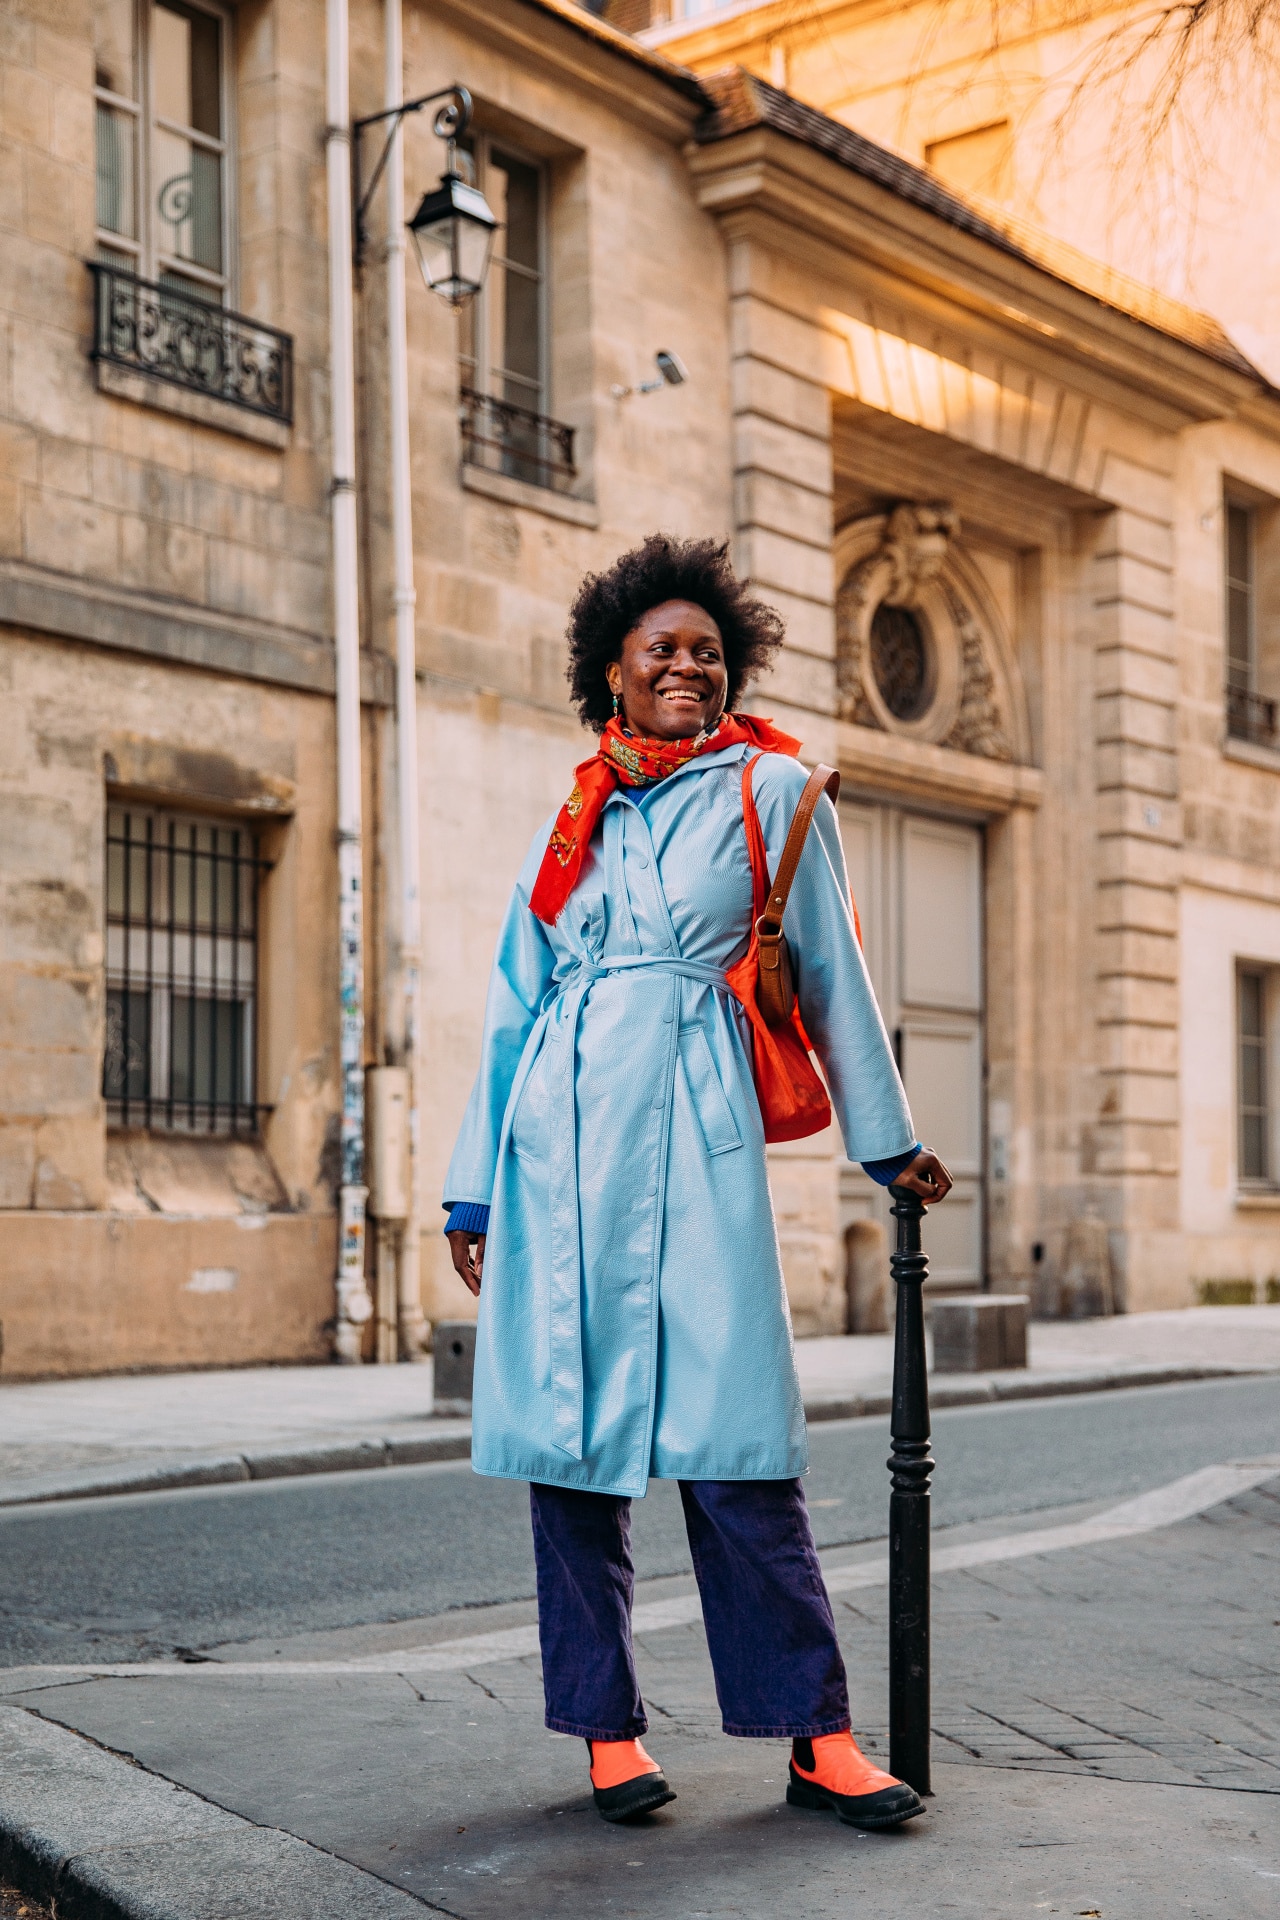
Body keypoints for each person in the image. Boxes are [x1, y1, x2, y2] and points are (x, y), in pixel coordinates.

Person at [444, 534, 952, 1829]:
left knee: (739, 1446)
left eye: (708, 652)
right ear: (611, 670)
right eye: (662, 648)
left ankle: (819, 1738)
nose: (688, 666)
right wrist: (473, 1191)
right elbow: (512, 1004)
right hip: (556, 1149)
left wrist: (884, 1144)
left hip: (696, 1124)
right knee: (575, 1447)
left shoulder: (774, 793)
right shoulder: (573, 819)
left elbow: (832, 971)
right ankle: (607, 1736)